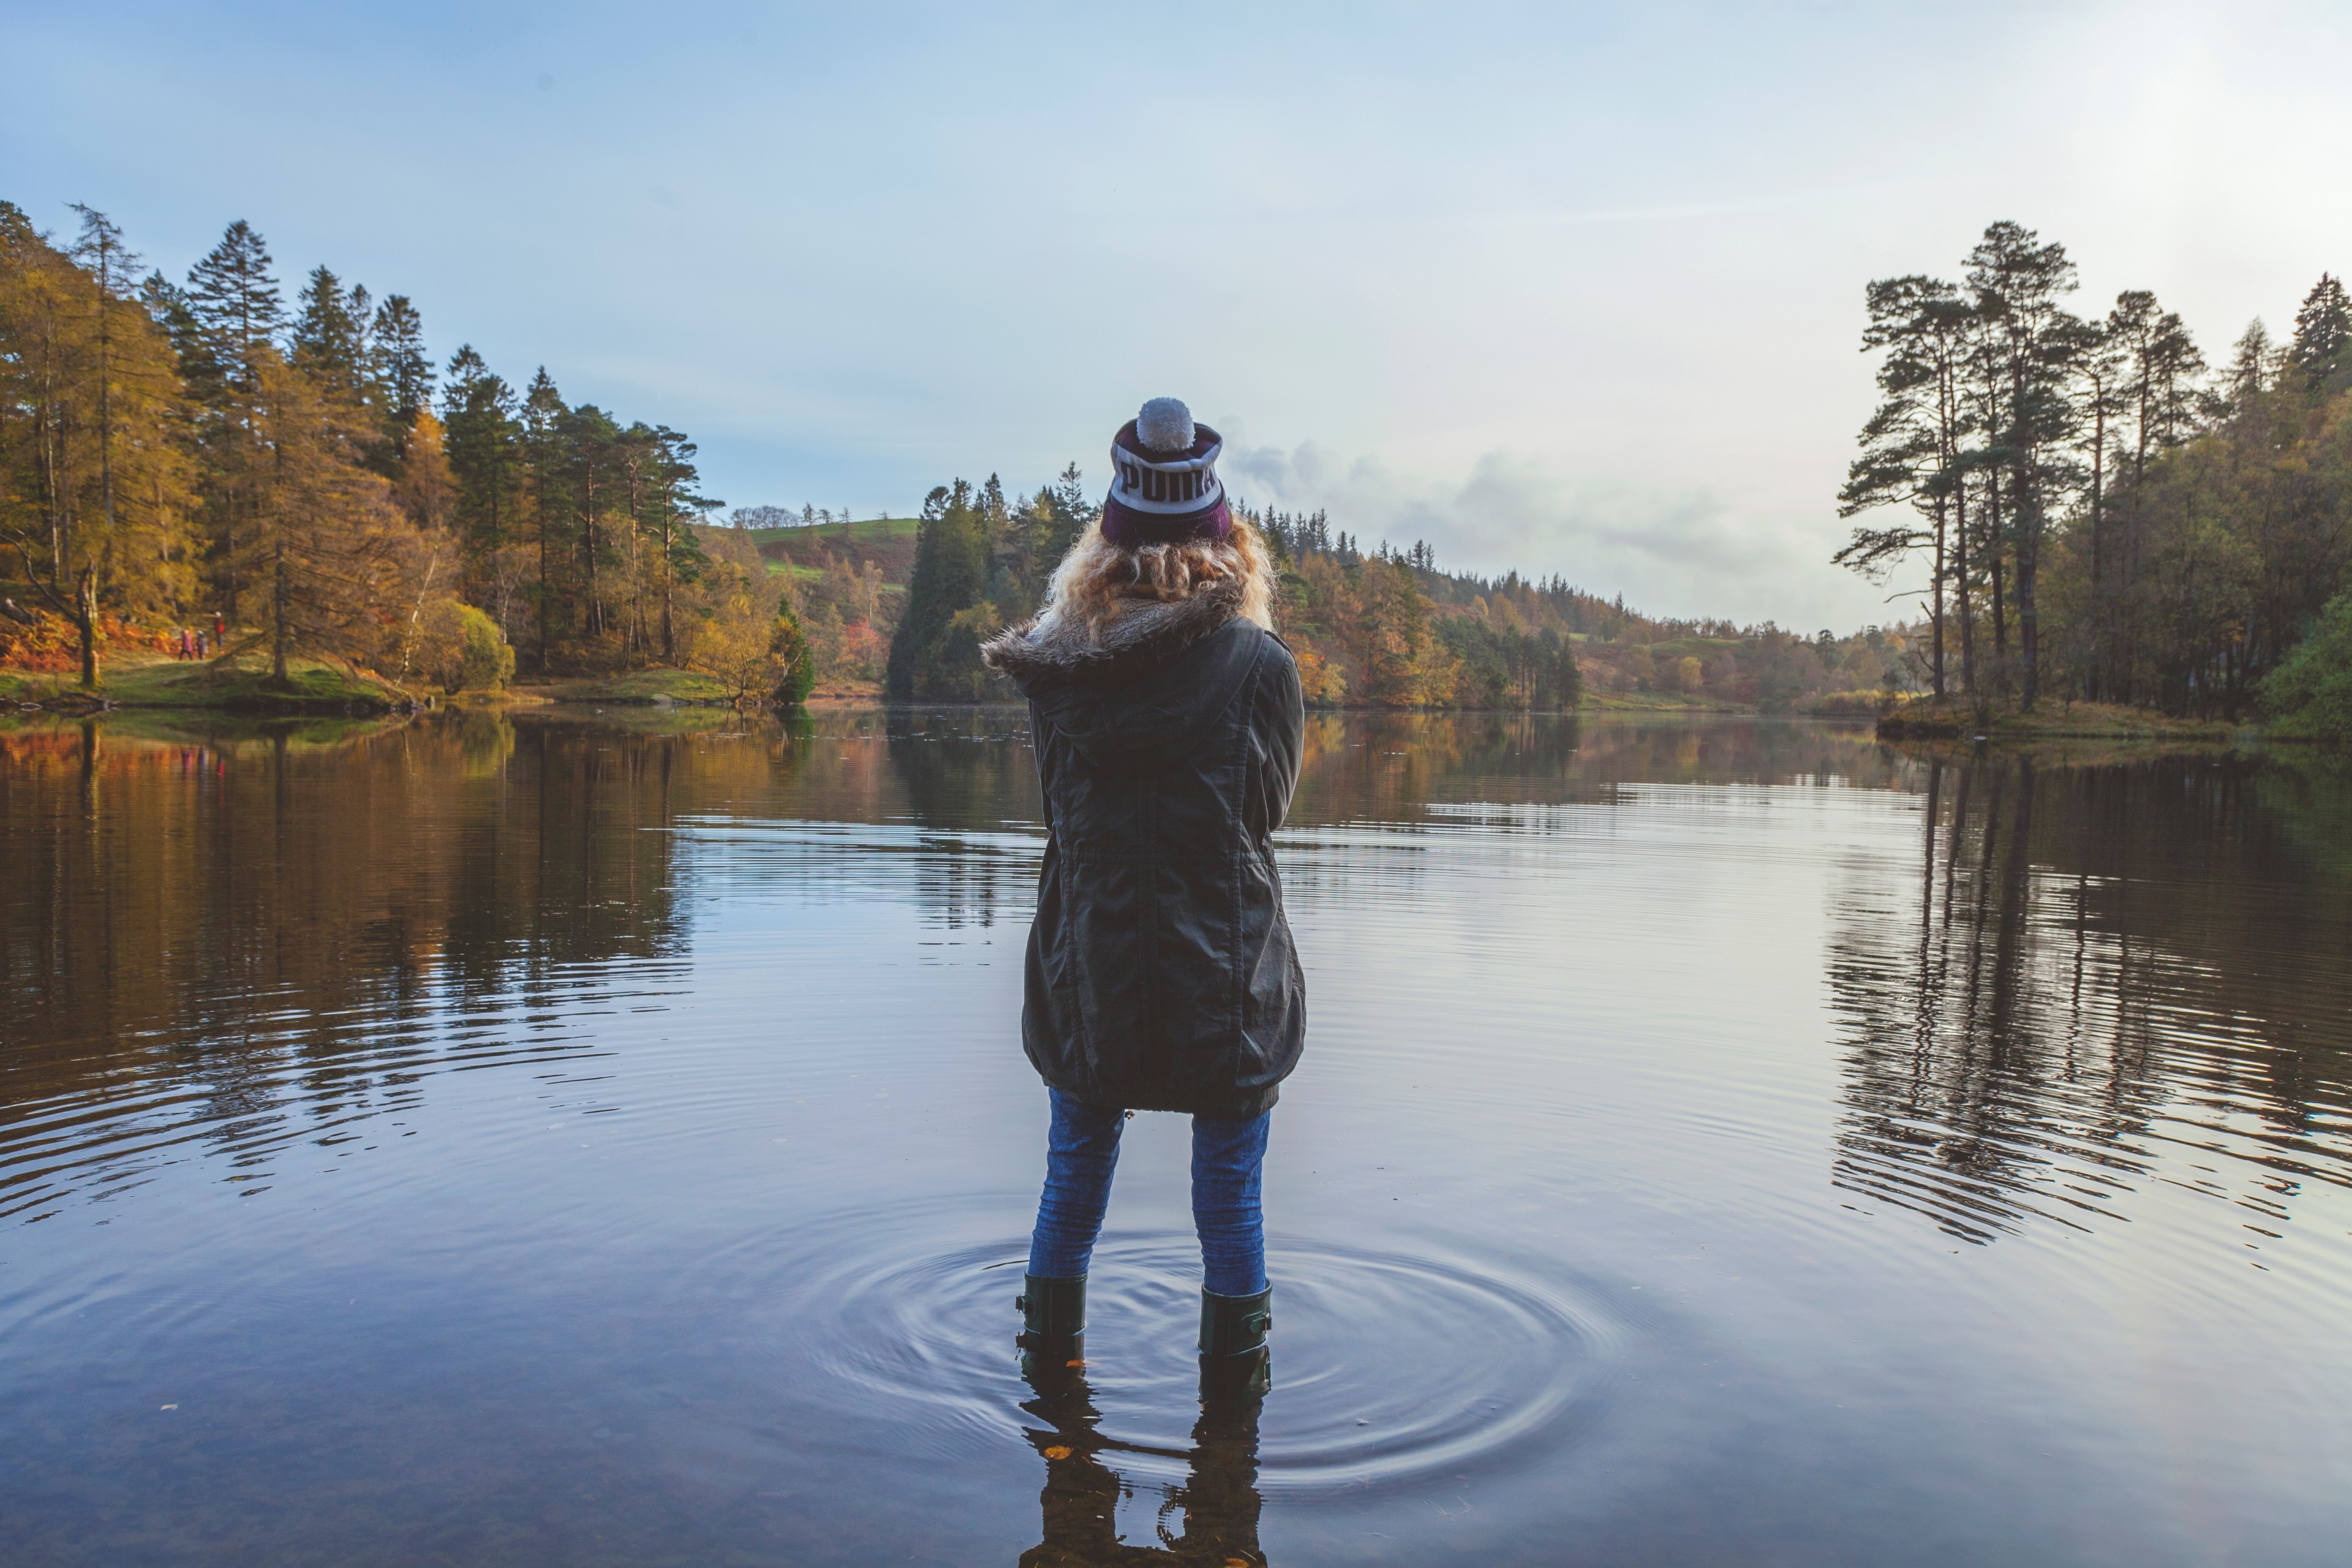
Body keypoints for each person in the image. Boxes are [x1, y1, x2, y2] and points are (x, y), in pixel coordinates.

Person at [982, 397, 1306, 1402]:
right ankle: (1231, 1433)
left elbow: (1059, 814)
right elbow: (1267, 813)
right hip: (1227, 970)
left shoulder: (1057, 666)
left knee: (1072, 1180)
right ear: (1223, 543)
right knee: (1231, 1202)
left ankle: (1052, 1404)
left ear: (1105, 544)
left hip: (1093, 963)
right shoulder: (1259, 665)